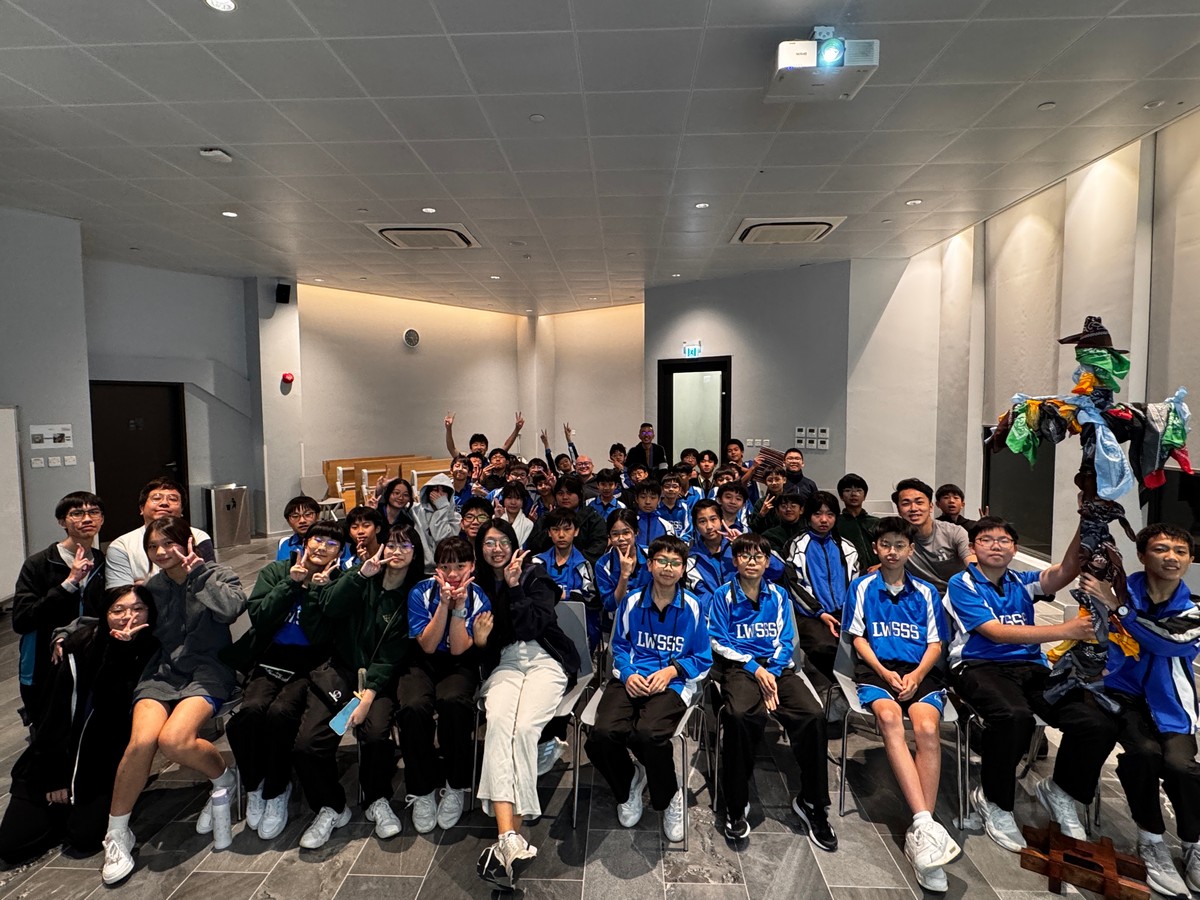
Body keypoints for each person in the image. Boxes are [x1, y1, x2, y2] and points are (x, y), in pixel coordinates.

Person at [946, 515, 1109, 854]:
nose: (995, 545)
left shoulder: (1022, 581)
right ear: (973, 547)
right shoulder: (962, 583)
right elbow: (995, 632)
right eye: (986, 539)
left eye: (1003, 540)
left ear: (1014, 548)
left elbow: (1067, 569)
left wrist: (1086, 518)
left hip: (1030, 668)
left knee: (1096, 720)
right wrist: (1066, 631)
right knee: (1013, 717)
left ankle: (1061, 789)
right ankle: (994, 800)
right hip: (977, 666)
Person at [101, 517, 245, 885]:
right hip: (162, 672)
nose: (162, 552)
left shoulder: (216, 574)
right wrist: (117, 636)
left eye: (169, 543)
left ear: (188, 542)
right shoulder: (152, 588)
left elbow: (230, 610)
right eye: (153, 546)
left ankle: (224, 778)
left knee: (174, 741)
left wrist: (198, 574)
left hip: (208, 671)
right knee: (141, 743)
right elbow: (114, 614)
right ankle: (116, 834)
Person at [1080, 524, 1200, 898]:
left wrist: (1121, 610)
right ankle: (1151, 839)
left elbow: (1167, 642)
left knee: (1181, 767)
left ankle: (1194, 843)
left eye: (1180, 551)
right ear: (1142, 555)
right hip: (1121, 695)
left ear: (1190, 559)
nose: (1171, 557)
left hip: (1171, 704)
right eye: (1161, 549)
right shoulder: (1116, 588)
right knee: (1143, 755)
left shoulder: (1193, 610)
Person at [0, 585, 158, 865]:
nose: (128, 617)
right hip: (55, 759)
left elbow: (112, 705)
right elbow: (52, 717)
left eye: (138, 609)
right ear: (104, 614)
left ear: (150, 613)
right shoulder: (78, 647)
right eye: (118, 610)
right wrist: (55, 777)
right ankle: (62, 807)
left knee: (84, 838)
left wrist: (121, 651)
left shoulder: (151, 651)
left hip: (100, 764)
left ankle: (75, 811)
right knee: (11, 846)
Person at [843, 516, 957, 892]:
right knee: (891, 720)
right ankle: (925, 825)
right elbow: (858, 638)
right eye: (885, 545)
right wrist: (884, 672)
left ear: (910, 550)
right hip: (878, 670)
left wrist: (918, 676)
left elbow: (935, 643)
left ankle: (921, 827)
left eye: (899, 545)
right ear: (876, 549)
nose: (892, 552)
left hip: (919, 672)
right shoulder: (861, 587)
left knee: (926, 728)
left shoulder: (926, 592)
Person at [292, 523, 424, 847]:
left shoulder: (413, 595)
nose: (396, 551)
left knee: (376, 735)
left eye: (405, 546)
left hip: (380, 678)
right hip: (340, 672)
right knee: (308, 742)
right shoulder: (360, 576)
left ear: (416, 553)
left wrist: (368, 696)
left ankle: (377, 799)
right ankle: (331, 806)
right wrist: (361, 576)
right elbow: (330, 607)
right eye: (391, 544)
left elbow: (392, 654)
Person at [221, 521, 347, 843]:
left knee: (281, 713)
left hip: (310, 663)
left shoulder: (337, 581)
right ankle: (256, 784)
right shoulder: (277, 571)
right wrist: (290, 584)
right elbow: (260, 618)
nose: (322, 547)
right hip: (270, 656)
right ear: (304, 543)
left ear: (339, 553)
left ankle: (278, 789)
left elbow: (320, 635)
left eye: (331, 544)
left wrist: (316, 589)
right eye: (317, 540)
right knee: (250, 712)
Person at [708, 533, 835, 848]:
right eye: (745, 556)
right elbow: (718, 640)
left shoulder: (779, 596)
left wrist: (773, 673)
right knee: (739, 716)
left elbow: (786, 640)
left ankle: (812, 802)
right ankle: (737, 803)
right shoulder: (722, 595)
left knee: (812, 714)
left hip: (778, 668)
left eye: (759, 556)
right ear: (735, 561)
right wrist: (757, 670)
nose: (752, 562)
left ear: (767, 562)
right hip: (741, 668)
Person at [472, 519, 580, 891]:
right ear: (480, 548)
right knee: (499, 725)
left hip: (545, 660)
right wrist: (481, 642)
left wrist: (515, 585)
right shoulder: (479, 585)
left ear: (515, 543)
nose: (497, 548)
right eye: (489, 542)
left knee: (524, 730)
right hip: (505, 664)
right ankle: (510, 843)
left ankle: (506, 839)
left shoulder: (537, 576)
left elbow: (533, 627)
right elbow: (486, 642)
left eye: (503, 541)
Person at [586, 535, 710, 843]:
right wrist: (628, 674)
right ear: (650, 565)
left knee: (648, 735)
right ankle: (630, 781)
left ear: (683, 569)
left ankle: (669, 796)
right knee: (602, 735)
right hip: (631, 678)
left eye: (675, 563)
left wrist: (672, 670)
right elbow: (620, 646)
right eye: (661, 561)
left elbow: (703, 658)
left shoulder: (693, 607)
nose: (668, 568)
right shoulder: (631, 601)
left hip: (672, 682)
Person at [398, 536, 490, 833]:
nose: (452, 574)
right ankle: (421, 790)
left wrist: (459, 606)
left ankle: (455, 784)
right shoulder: (420, 592)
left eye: (460, 566)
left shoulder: (480, 598)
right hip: (422, 661)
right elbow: (427, 645)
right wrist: (443, 604)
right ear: (436, 568)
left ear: (472, 566)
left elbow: (459, 649)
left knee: (453, 703)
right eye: (445, 566)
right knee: (413, 707)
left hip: (459, 663)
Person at [14, 491, 108, 726]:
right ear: (62, 522)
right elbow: (22, 619)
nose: (87, 518)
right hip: (44, 659)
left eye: (94, 512)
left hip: (88, 654)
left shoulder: (103, 561)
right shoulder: (39, 563)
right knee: (47, 725)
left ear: (102, 520)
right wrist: (69, 583)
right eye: (77, 513)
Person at [783, 491, 860, 682]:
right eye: (817, 514)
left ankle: (855, 684)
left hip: (844, 612)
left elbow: (856, 584)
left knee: (863, 643)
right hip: (810, 614)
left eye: (830, 514)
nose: (824, 520)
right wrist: (819, 613)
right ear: (808, 516)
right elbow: (793, 585)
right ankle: (833, 685)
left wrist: (849, 613)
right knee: (824, 646)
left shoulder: (847, 548)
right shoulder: (797, 546)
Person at [105, 477, 215, 588]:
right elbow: (120, 593)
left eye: (173, 499)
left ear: (182, 510)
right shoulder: (121, 545)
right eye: (156, 498)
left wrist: (143, 586)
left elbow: (208, 582)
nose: (164, 503)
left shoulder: (198, 536)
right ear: (142, 508)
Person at [893, 478, 974, 595]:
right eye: (906, 504)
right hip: (921, 598)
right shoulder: (898, 539)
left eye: (919, 502)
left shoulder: (954, 532)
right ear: (899, 510)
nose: (913, 508)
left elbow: (971, 562)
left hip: (957, 596)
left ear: (931, 507)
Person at [524, 475, 607, 562]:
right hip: (549, 564)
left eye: (569, 493)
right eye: (560, 493)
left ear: (579, 495)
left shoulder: (592, 517)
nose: (565, 497)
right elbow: (533, 546)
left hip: (582, 564)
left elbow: (598, 547)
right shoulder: (547, 518)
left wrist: (573, 561)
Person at [596, 509, 651, 615]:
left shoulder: (651, 556)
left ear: (636, 532)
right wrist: (624, 576)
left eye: (626, 533)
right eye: (615, 534)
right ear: (609, 536)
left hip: (648, 615)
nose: (621, 538)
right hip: (617, 618)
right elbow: (611, 606)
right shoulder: (602, 565)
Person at [412, 474, 463, 571]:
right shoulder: (416, 510)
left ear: (450, 495)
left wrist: (442, 508)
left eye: (444, 491)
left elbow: (442, 539)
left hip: (445, 569)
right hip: (419, 569)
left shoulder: (456, 518)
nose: (439, 494)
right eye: (435, 490)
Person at [837, 474, 880, 569]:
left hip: (877, 571)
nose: (853, 494)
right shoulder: (836, 523)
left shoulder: (876, 522)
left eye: (858, 490)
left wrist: (881, 565)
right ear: (841, 496)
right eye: (847, 490)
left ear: (865, 496)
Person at [444, 410, 524, 459]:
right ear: (470, 448)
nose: (479, 447)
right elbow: (452, 448)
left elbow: (506, 446)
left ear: (487, 448)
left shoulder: (491, 460)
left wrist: (517, 429)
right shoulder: (465, 460)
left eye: (482, 445)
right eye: (475, 445)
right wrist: (448, 428)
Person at [762, 487, 806, 555]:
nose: (788, 509)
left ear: (801, 510)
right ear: (777, 511)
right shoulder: (769, 536)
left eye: (793, 506)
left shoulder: (809, 533)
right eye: (784, 506)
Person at [657, 472, 692, 542]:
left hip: (680, 544)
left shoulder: (685, 508)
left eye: (675, 487)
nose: (671, 489)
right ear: (662, 489)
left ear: (680, 489)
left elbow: (688, 531)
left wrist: (678, 543)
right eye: (667, 486)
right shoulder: (656, 508)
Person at [498, 482, 534, 546]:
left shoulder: (528, 524)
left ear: (523, 501)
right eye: (509, 497)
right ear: (503, 499)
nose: (513, 502)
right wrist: (498, 520)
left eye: (518, 498)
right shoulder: (495, 518)